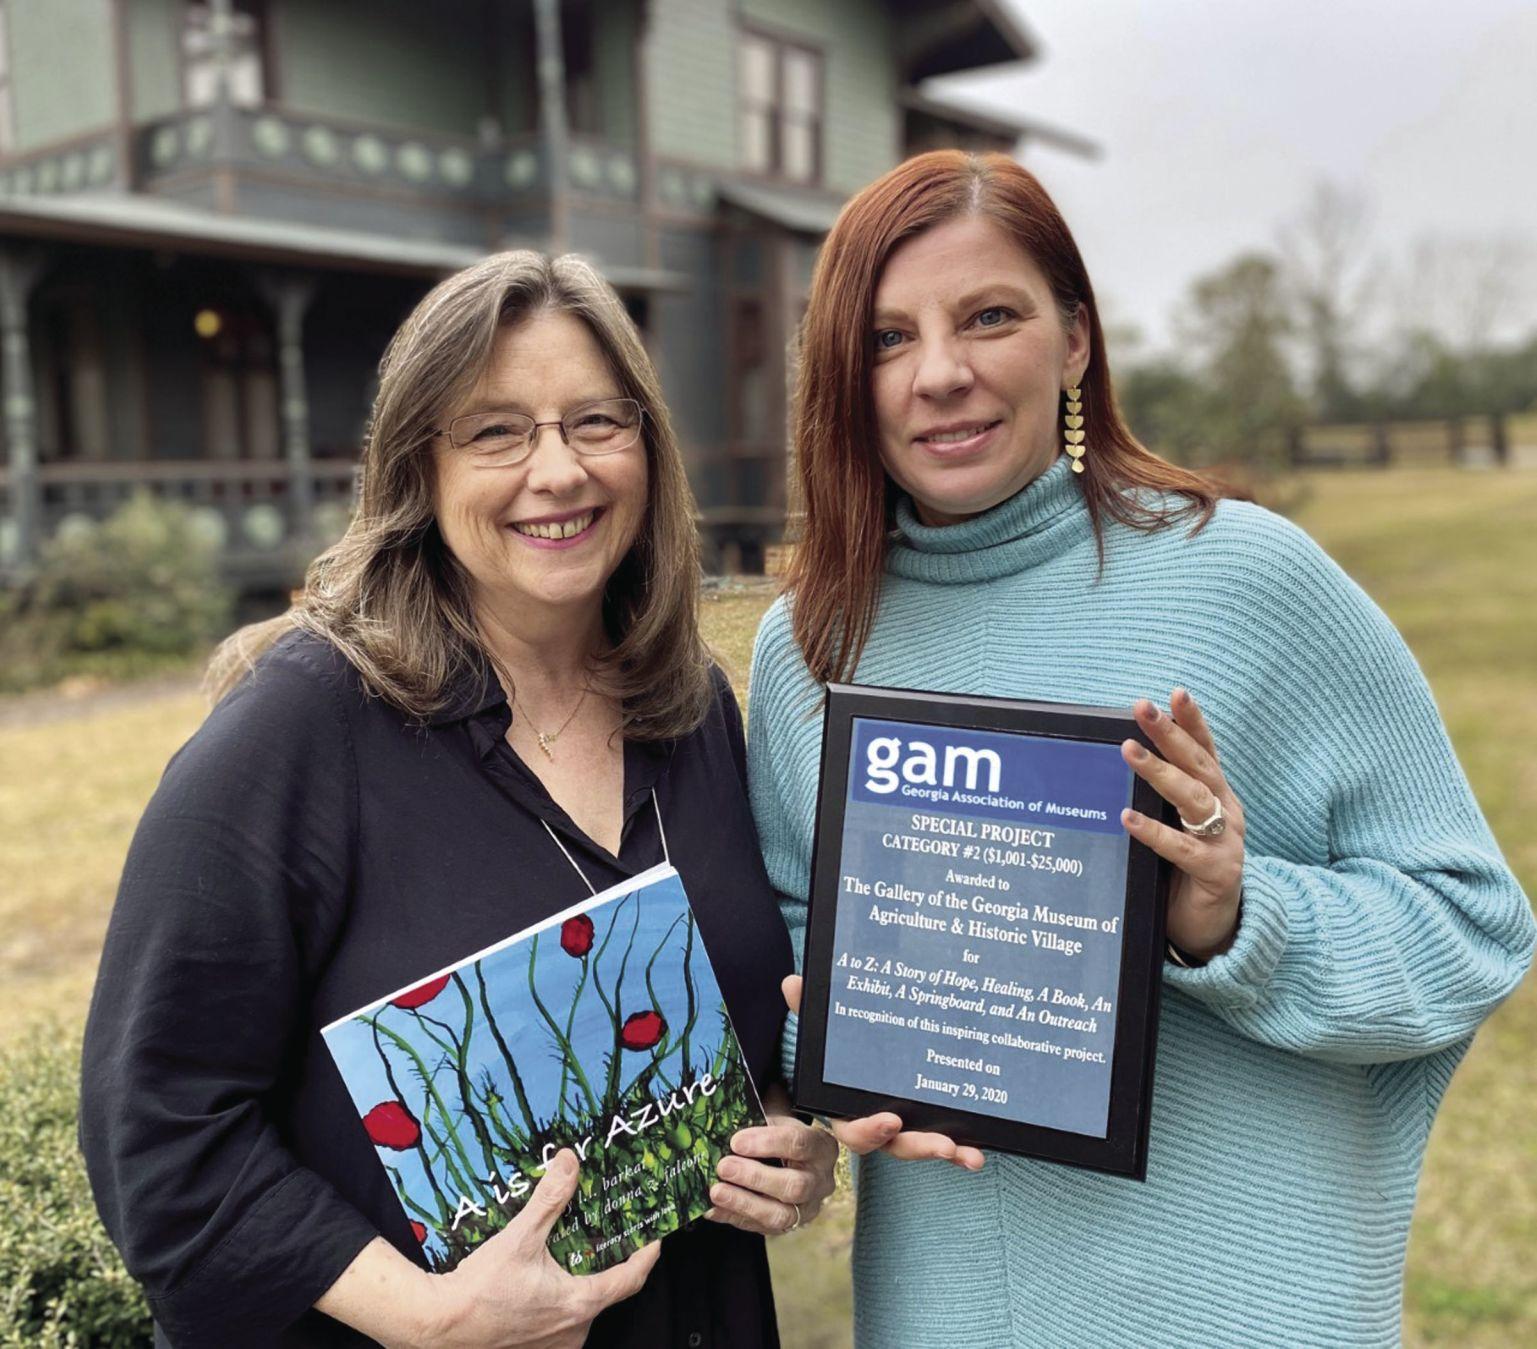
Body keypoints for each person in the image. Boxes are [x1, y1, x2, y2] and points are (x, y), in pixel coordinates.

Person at [746, 150, 1535, 1347]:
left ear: (1075, 339)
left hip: (1246, 1305)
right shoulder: (806, 645)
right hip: (954, 1307)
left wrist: (1228, 916)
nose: (941, 374)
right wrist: (834, 1051)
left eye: (988, 316)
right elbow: (800, 952)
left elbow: (1474, 927)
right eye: (885, 338)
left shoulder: (1247, 578)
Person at [79, 250, 838, 1349]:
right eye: (495, 431)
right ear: (417, 470)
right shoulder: (301, 730)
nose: (558, 470)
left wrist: (778, 1138)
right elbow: (155, 1125)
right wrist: (430, 1316)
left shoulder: (692, 710)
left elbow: (733, 1023)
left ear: (647, 446)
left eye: (594, 422)